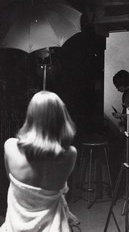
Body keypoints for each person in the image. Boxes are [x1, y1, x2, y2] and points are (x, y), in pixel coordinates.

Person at [0, 91, 79, 232]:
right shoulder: (70, 154)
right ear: (61, 118)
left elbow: (11, 179)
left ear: (30, 117)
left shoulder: (10, 146)